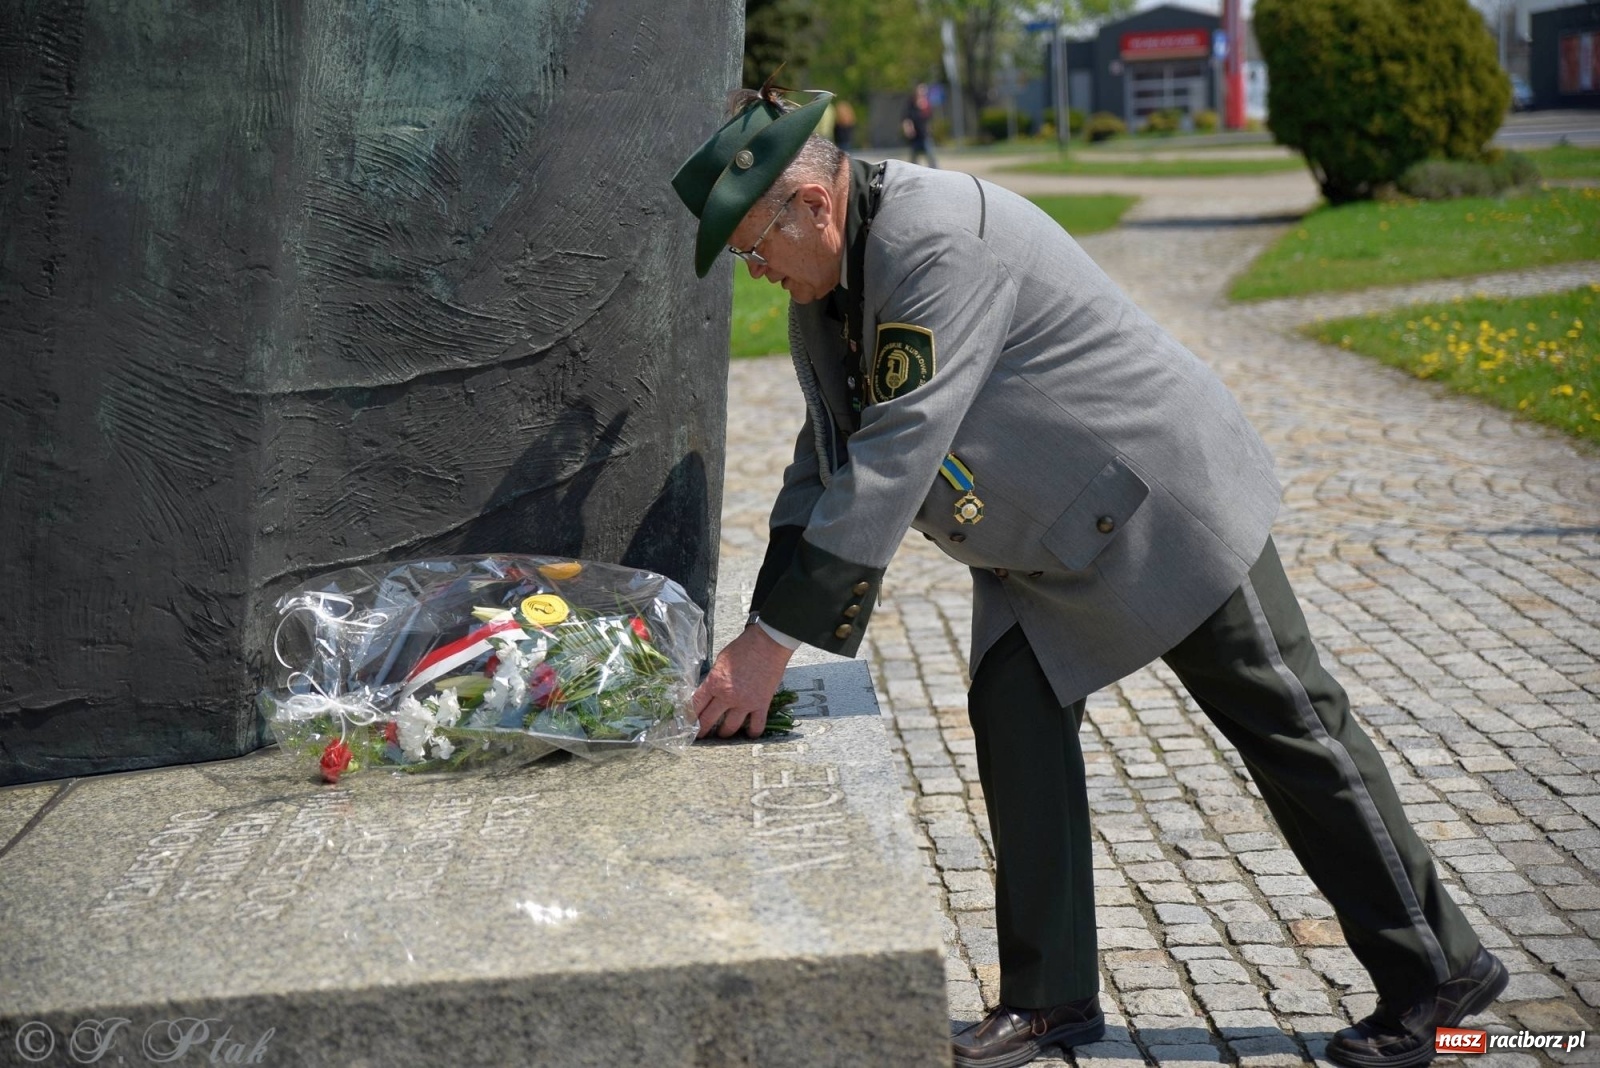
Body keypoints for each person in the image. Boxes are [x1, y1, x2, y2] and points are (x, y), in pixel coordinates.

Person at [670, 82, 1506, 1068]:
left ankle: (1436, 967)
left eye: (754, 246)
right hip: (1049, 536)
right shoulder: (832, 283)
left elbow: (896, 450)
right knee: (1013, 716)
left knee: (1288, 725)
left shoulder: (933, 238)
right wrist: (756, 630)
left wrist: (771, 650)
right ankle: (1051, 995)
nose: (754, 269)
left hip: (1162, 499)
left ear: (812, 204)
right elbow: (820, 460)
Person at [902, 83, 938, 168]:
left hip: (925, 135)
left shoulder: (927, 104)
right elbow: (906, 118)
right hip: (915, 136)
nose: (922, 92)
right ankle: (912, 172)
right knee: (914, 159)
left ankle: (935, 171)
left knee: (930, 156)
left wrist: (930, 129)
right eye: (920, 90)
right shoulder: (911, 104)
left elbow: (930, 119)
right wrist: (908, 128)